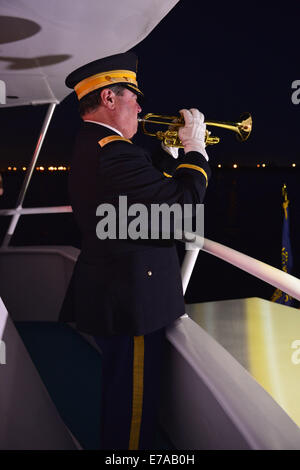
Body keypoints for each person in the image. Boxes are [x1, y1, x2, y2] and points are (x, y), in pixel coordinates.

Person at [59, 51, 211, 450]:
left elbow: (139, 190)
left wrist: (168, 155)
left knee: (120, 396)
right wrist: (196, 152)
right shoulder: (113, 151)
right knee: (133, 416)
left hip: (114, 290)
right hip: (132, 300)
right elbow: (182, 205)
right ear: (109, 98)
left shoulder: (96, 144)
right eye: (133, 97)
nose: (141, 107)